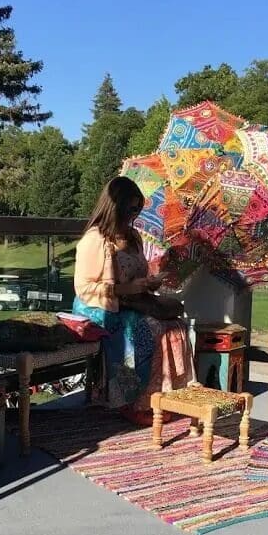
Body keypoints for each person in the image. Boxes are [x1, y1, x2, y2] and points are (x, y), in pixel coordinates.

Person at [72, 176, 194, 424]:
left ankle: (164, 396)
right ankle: (132, 401)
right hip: (98, 306)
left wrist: (150, 282)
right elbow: (84, 288)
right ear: (115, 207)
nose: (134, 214)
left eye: (138, 208)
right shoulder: (95, 240)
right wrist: (125, 289)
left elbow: (137, 274)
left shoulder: (134, 237)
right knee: (147, 330)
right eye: (130, 208)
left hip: (129, 301)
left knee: (175, 326)